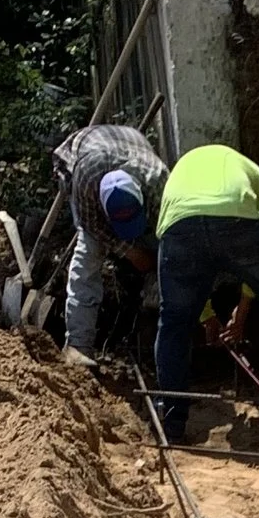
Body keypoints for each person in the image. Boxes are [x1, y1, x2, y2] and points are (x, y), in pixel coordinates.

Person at [151, 144, 259, 446]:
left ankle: (172, 419)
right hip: (237, 219)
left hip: (181, 226)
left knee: (174, 321)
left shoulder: (178, 174)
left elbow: (183, 279)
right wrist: (244, 306)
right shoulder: (250, 169)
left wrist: (205, 316)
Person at [57, 118, 168, 366]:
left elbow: (173, 239)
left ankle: (156, 323)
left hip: (131, 146)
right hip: (84, 154)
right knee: (88, 257)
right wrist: (129, 252)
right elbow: (92, 225)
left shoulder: (158, 182)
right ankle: (78, 346)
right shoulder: (85, 183)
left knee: (165, 253)